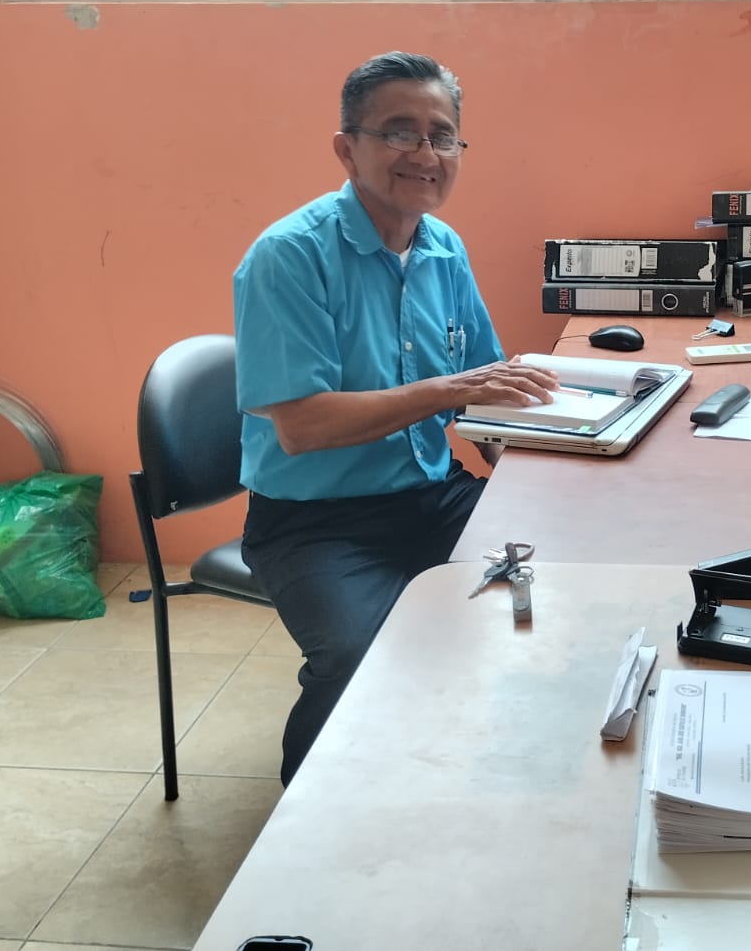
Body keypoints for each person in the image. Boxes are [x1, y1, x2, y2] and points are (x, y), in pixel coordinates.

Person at [232, 50, 558, 785]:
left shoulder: (443, 247)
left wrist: (532, 468)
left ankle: (474, 775)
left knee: (560, 590)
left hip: (432, 498)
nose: (425, 154)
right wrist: (448, 390)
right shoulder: (290, 256)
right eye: (400, 132)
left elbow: (483, 394)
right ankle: (311, 821)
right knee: (358, 658)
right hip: (315, 523)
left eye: (442, 136)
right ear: (347, 149)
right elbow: (304, 426)